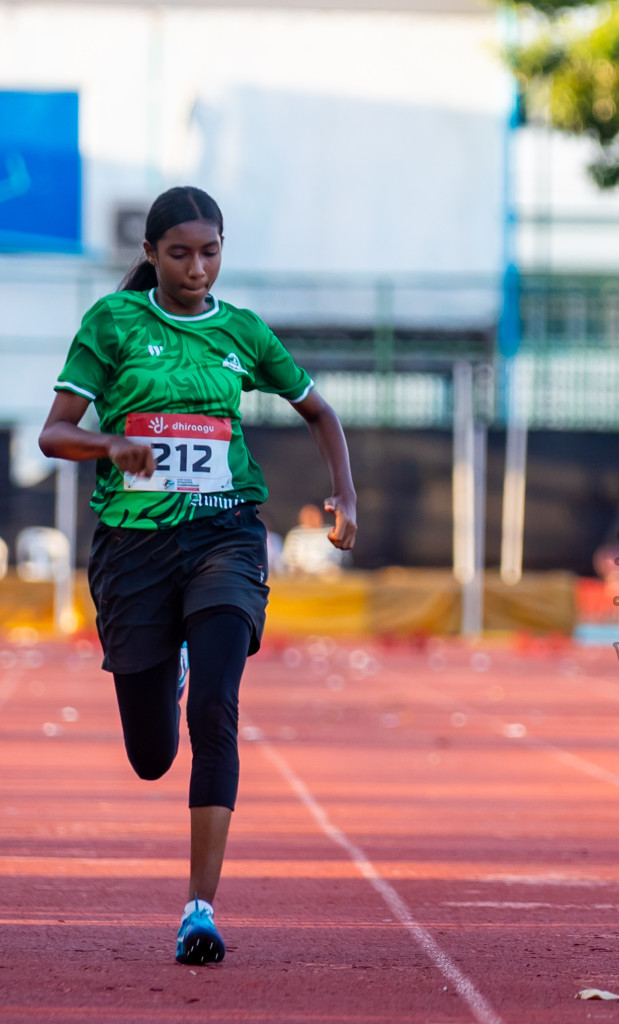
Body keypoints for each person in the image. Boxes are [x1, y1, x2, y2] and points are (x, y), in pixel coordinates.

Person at [37, 186, 358, 966]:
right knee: (151, 754)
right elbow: (55, 433)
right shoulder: (113, 324)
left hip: (227, 531)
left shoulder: (242, 332)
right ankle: (167, 666)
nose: (197, 268)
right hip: (134, 546)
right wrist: (111, 446)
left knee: (216, 706)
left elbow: (319, 411)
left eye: (210, 252)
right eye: (179, 253)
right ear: (150, 255)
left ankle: (199, 908)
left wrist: (344, 492)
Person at [284, 502, 346, 576]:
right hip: (302, 578)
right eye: (307, 515)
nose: (310, 518)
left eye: (313, 514)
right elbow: (288, 561)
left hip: (329, 577)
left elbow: (343, 558)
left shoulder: (332, 533)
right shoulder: (295, 535)